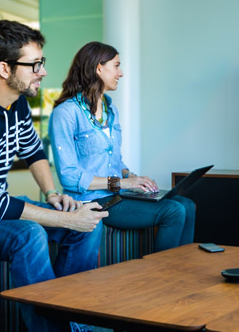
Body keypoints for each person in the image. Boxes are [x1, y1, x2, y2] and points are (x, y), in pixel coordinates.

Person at [0, 20, 106, 331]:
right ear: (5, 69)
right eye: (34, 65)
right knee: (29, 233)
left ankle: (76, 318)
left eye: (41, 62)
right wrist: (65, 220)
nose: (43, 72)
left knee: (89, 222)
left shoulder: (15, 102)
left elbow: (33, 152)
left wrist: (52, 196)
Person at [49, 41, 196, 252]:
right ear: (99, 68)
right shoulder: (66, 113)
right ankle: (164, 277)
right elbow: (69, 177)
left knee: (187, 205)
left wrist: (134, 178)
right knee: (173, 211)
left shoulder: (111, 109)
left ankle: (183, 271)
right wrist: (123, 184)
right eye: (116, 66)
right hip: (92, 201)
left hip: (118, 195)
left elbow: (115, 161)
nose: (121, 73)